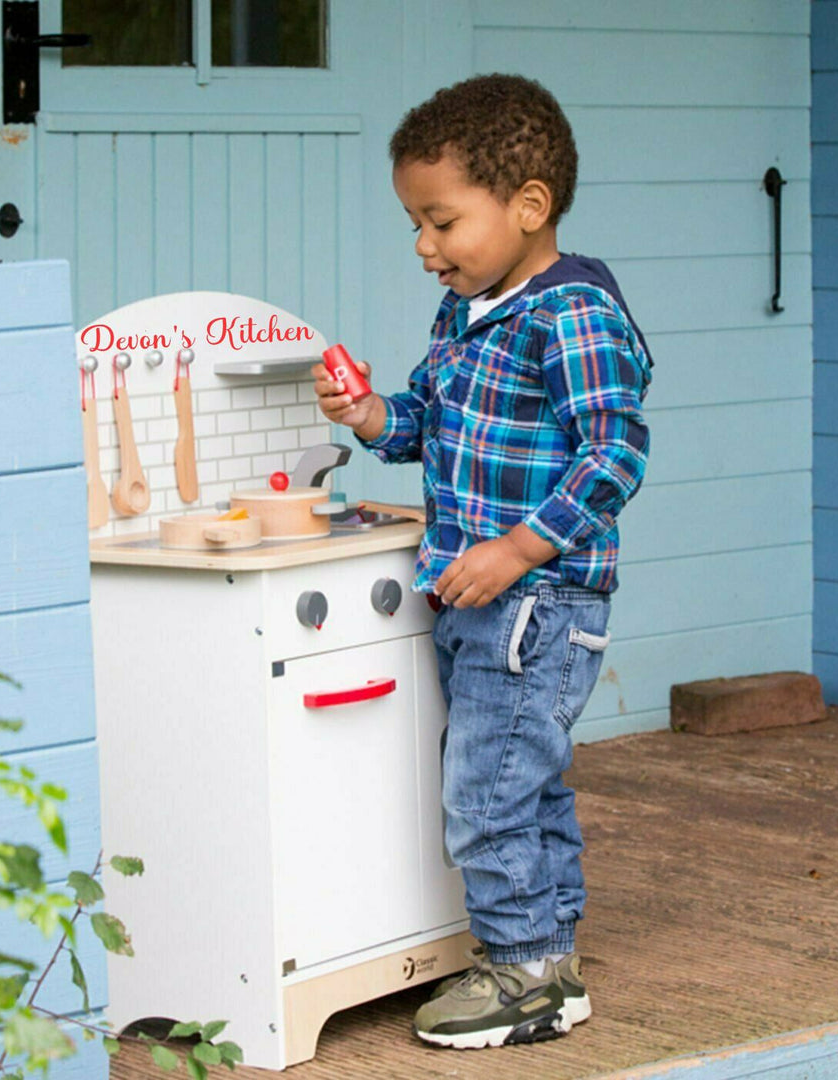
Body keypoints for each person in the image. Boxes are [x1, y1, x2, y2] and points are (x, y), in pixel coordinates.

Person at [311, 72, 652, 1050]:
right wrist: (372, 415)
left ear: (528, 206)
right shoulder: (469, 311)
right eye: (416, 223)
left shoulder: (570, 315)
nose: (425, 245)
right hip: (485, 599)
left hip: (535, 600)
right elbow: (428, 420)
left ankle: (519, 976)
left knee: (487, 791)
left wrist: (513, 550)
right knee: (524, 781)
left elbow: (614, 454)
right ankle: (548, 961)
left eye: (442, 221)